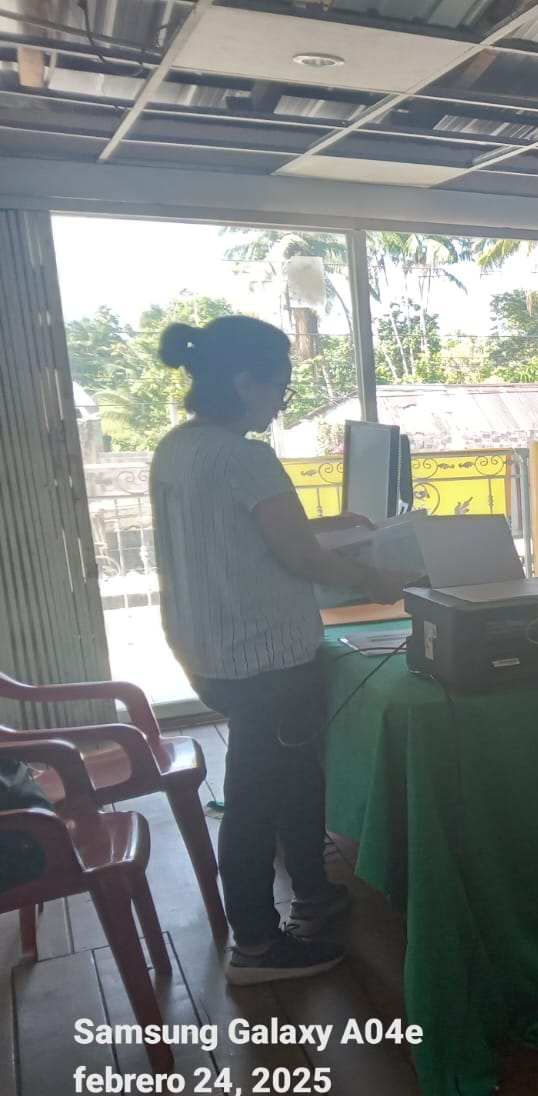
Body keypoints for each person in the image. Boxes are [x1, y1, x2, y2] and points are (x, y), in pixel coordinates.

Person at [149, 317, 411, 985]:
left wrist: (329, 525)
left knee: (295, 773)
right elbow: (300, 557)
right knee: (254, 797)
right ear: (245, 382)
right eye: (281, 388)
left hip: (209, 651)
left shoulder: (178, 448)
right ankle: (257, 947)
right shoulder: (246, 457)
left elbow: (247, 533)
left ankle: (314, 894)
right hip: (264, 655)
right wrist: (375, 578)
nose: (279, 403)